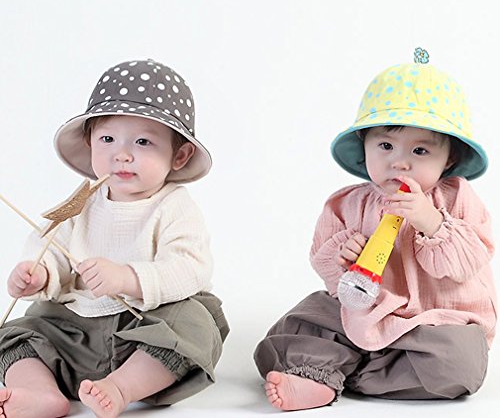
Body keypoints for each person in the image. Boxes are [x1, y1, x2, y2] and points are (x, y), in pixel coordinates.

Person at [254, 49, 496, 411]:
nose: (399, 162)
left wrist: (430, 221)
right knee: (298, 324)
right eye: (385, 145)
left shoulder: (457, 197)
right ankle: (323, 373)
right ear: (364, 145)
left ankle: (337, 372)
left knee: (459, 363)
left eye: (420, 151)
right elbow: (328, 270)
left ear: (449, 159)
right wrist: (344, 259)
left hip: (433, 325)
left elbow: (469, 261)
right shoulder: (346, 203)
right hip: (360, 316)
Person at [0, 59, 229, 417]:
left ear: (180, 155)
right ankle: (40, 392)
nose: (121, 154)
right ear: (90, 143)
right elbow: (50, 246)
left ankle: (121, 388)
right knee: (15, 334)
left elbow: (190, 267)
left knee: (195, 324)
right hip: (74, 333)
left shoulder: (174, 206)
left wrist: (127, 278)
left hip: (143, 332)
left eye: (143, 141)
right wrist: (39, 274)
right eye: (107, 139)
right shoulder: (81, 203)